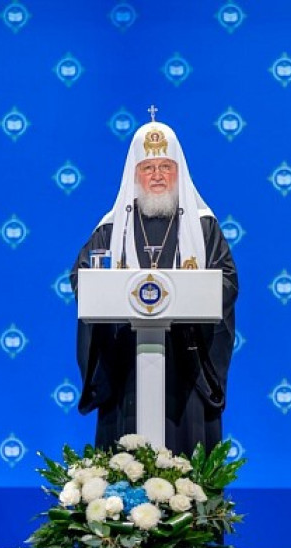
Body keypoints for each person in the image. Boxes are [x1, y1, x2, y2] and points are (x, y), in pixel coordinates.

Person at [70, 118, 238, 457]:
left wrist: (187, 297)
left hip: (186, 361)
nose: (157, 175)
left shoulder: (203, 226)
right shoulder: (112, 228)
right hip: (127, 361)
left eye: (165, 167)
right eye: (148, 168)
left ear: (179, 172)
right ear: (135, 174)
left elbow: (227, 280)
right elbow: (82, 279)